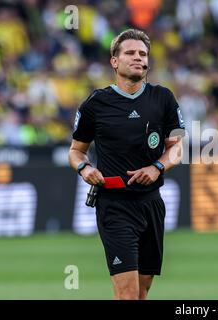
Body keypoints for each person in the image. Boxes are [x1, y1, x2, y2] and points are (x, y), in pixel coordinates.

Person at [68, 29, 184, 300]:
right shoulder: (95, 104)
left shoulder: (164, 98)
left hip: (152, 203)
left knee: (142, 291)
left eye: (143, 54)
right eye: (130, 53)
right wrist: (85, 169)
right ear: (115, 62)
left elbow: (178, 148)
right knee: (128, 295)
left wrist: (157, 167)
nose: (138, 58)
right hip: (114, 205)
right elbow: (75, 151)